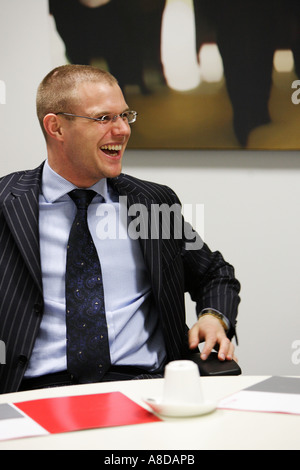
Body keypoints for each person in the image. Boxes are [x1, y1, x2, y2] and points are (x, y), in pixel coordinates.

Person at [0, 64, 240, 393]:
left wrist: (214, 317)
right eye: (104, 118)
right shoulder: (6, 205)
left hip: (144, 385)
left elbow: (215, 273)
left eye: (125, 116)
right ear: (56, 127)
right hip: (36, 390)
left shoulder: (149, 203)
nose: (123, 130)